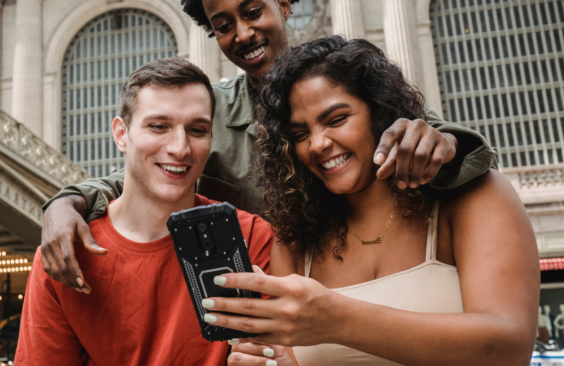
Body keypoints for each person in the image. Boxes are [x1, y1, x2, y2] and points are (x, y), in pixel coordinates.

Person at [40, 0, 497, 295]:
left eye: (253, 11)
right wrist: (68, 201)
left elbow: (447, 143)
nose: (241, 34)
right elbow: (143, 178)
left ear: (283, 4)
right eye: (223, 26)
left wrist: (442, 145)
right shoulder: (207, 115)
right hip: (267, 306)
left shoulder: (350, 82)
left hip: (372, 284)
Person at [200, 37, 540, 366]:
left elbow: (510, 348)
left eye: (337, 119)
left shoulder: (472, 197)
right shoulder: (295, 238)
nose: (317, 144)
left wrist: (338, 319)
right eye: (300, 134)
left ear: (380, 113)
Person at [15, 59, 274, 365]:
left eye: (197, 129)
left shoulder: (251, 237)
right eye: (159, 126)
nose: (180, 148)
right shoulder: (65, 254)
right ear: (121, 134)